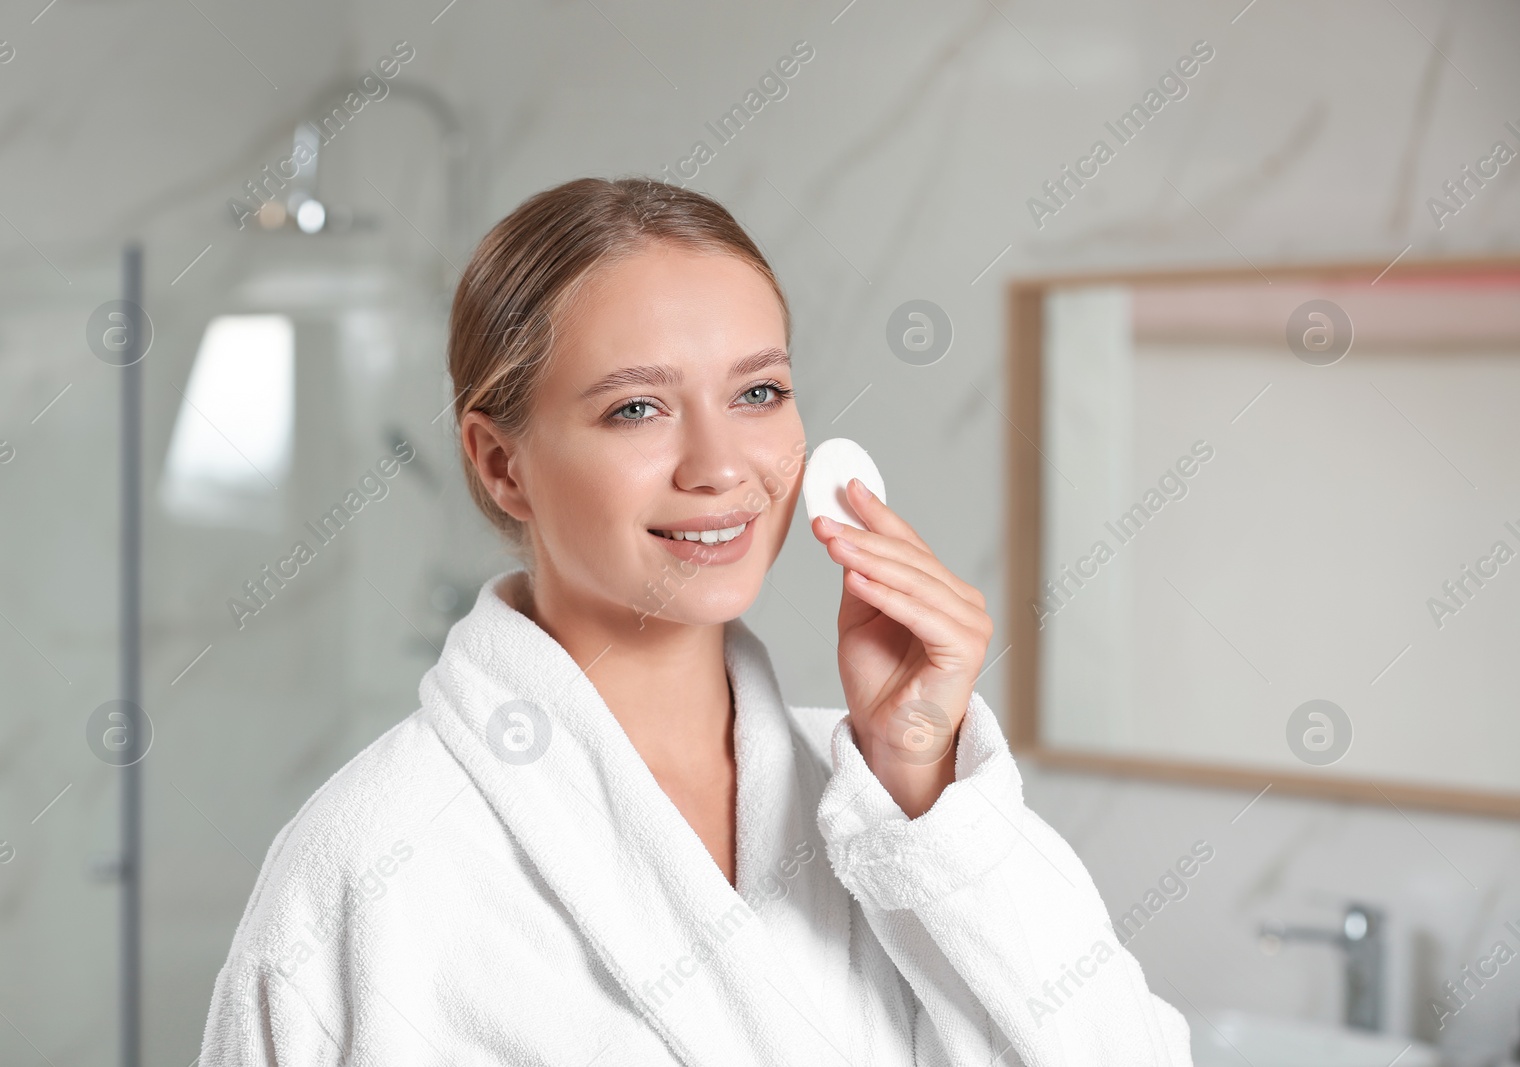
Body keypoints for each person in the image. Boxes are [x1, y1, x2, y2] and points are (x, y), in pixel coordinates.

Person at [198, 176, 1194, 1065]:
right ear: (501, 463)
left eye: (758, 391)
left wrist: (922, 779)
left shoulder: (891, 808)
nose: (721, 466)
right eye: (636, 408)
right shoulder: (372, 862)